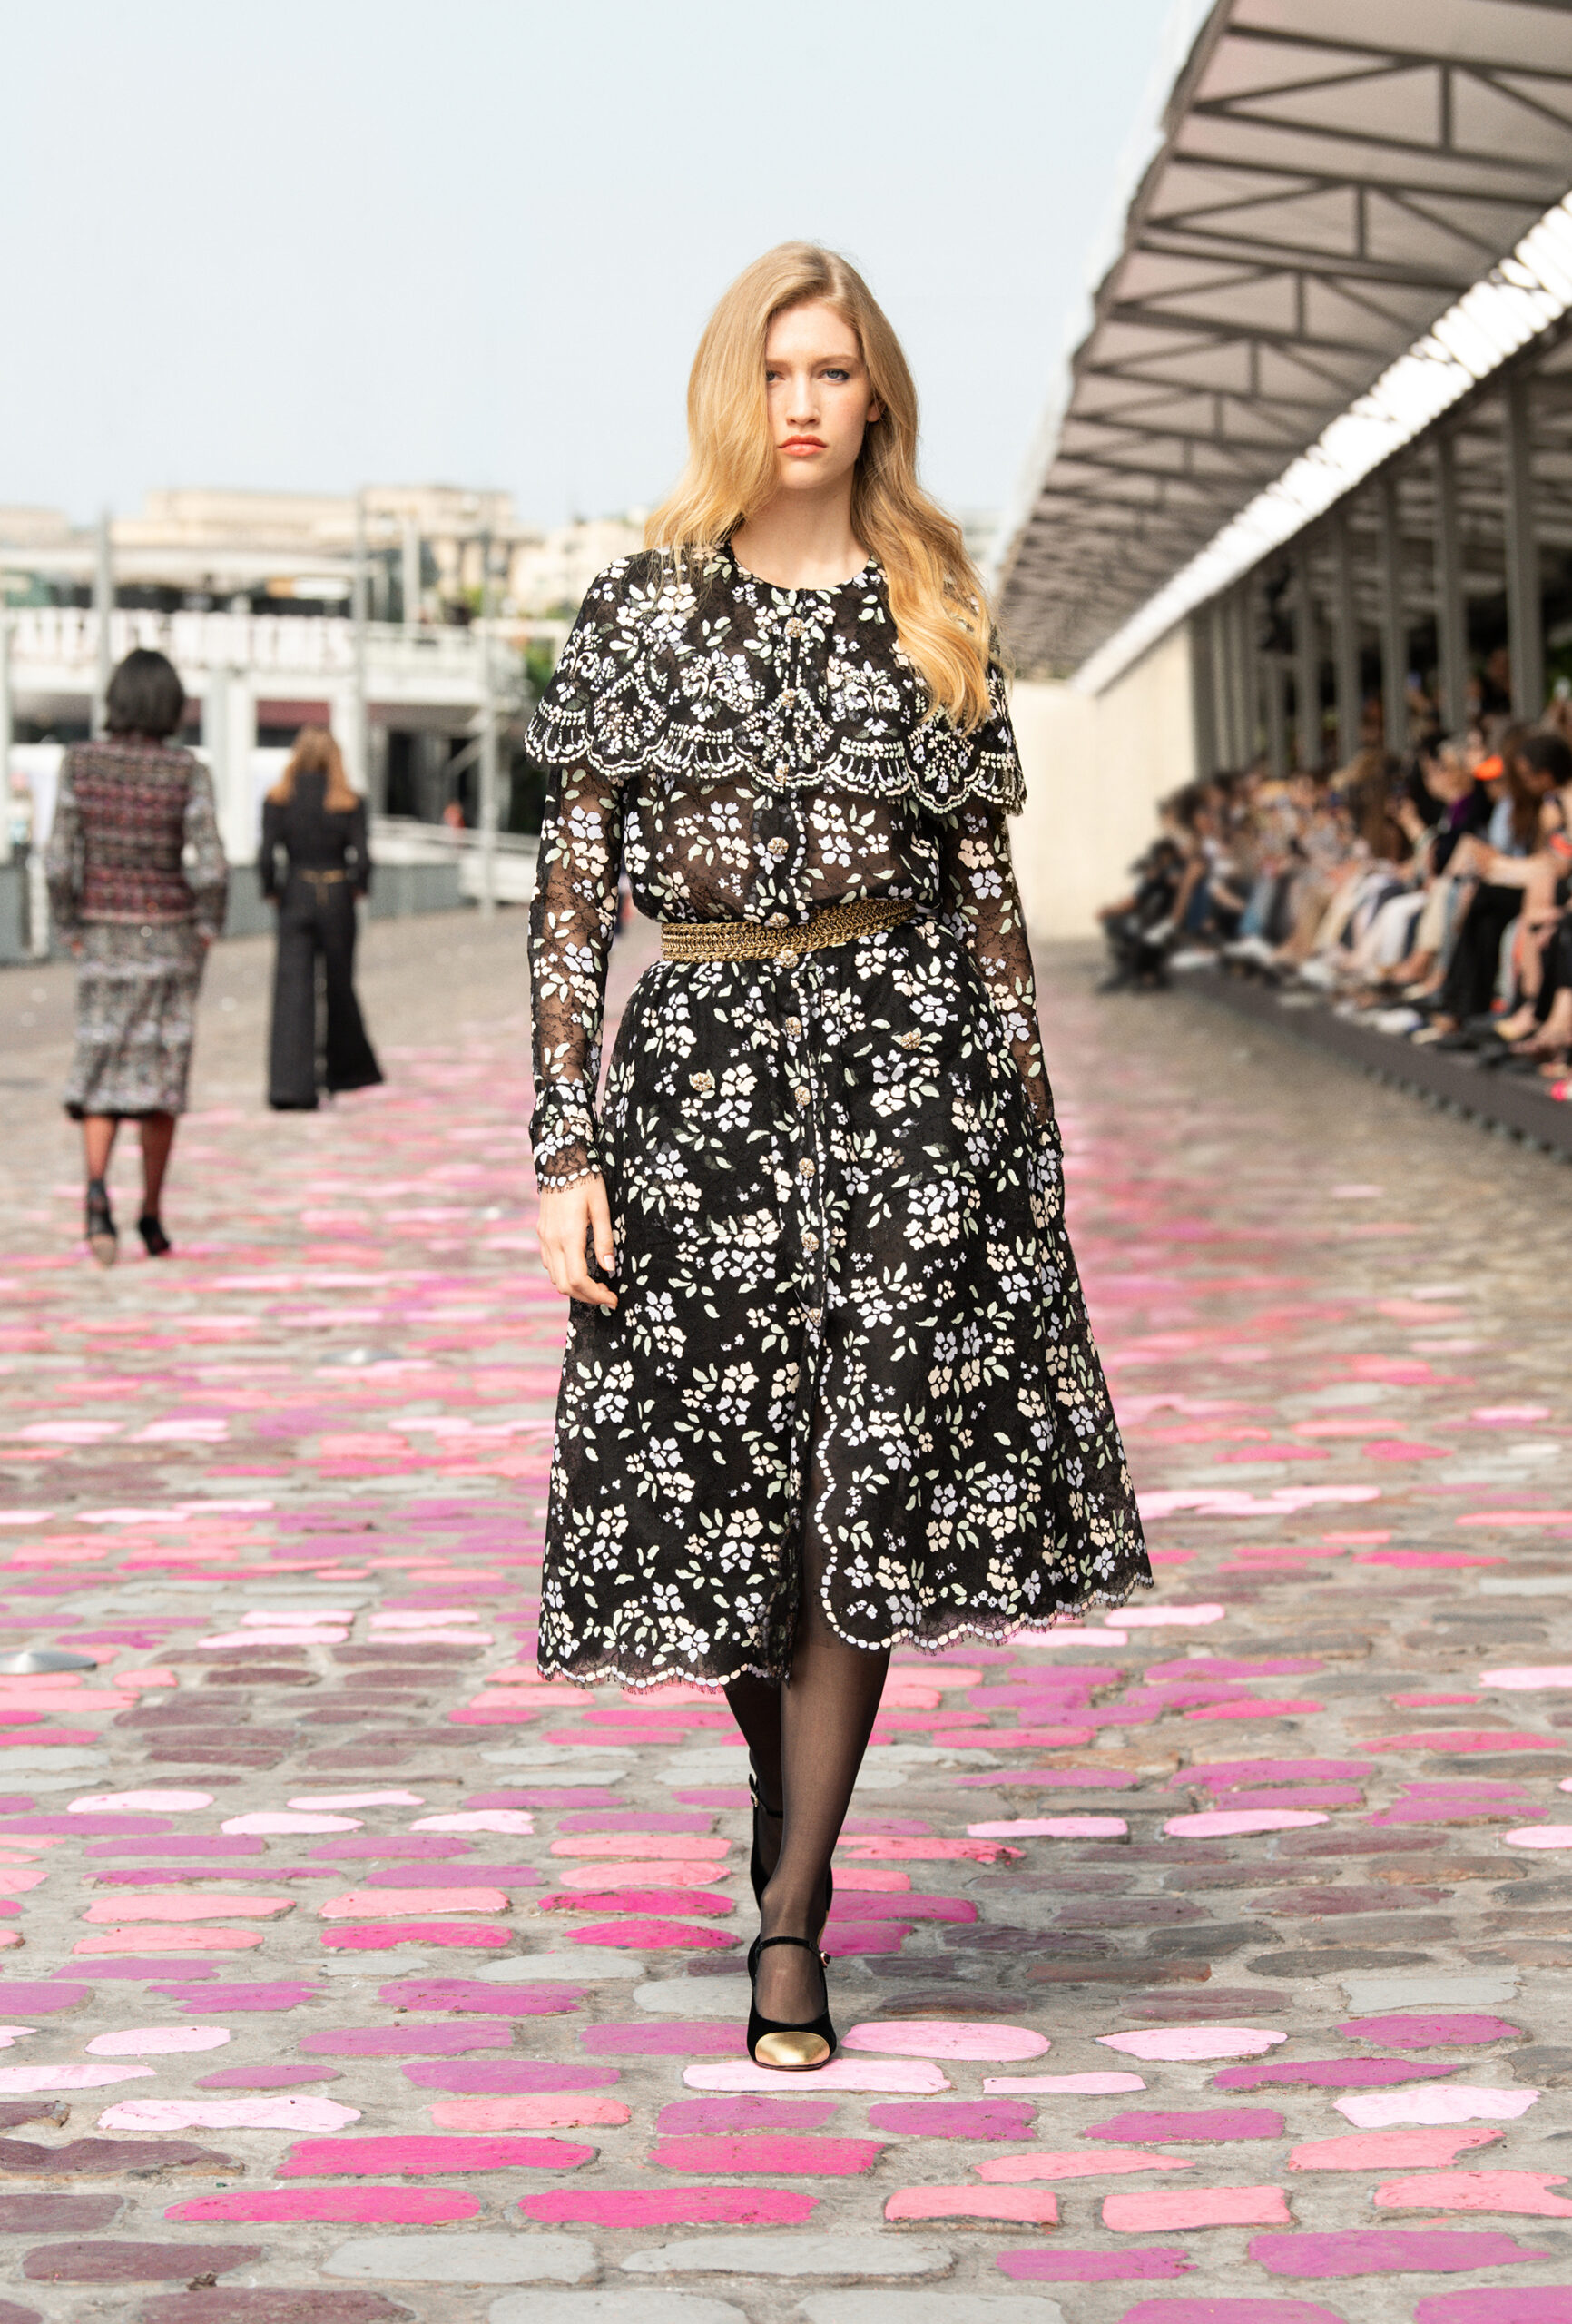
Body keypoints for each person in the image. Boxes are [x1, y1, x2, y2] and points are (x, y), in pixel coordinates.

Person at [525, 244, 1149, 2073]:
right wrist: (564, 1146)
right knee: (723, 1484)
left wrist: (1024, 1134)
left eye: (834, 369)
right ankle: (785, 1793)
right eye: (777, 369)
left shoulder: (931, 601)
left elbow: (986, 898)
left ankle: (790, 1916)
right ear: (735, 388)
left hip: (906, 1074)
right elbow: (571, 906)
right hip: (696, 1082)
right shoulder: (639, 608)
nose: (803, 401)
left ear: (877, 395)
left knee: (856, 1486)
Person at [44, 647, 227, 1265]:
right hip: (170, 936)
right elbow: (212, 866)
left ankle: (97, 1195)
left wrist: (69, 924)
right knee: (161, 1074)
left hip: (102, 934)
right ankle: (151, 1213)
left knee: (101, 1062)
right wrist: (207, 926)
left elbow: (58, 861)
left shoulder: (80, 764)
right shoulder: (186, 771)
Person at [260, 726, 382, 1110]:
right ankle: (342, 1073)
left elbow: (266, 856)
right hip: (336, 894)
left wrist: (272, 890)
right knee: (338, 986)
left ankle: (290, 1086)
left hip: (296, 892)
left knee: (292, 991)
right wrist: (358, 886)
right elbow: (363, 858)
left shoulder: (279, 799)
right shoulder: (348, 801)